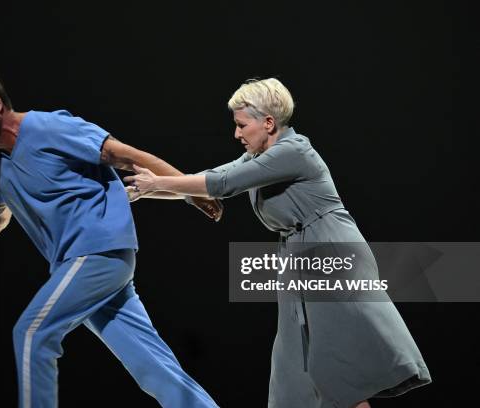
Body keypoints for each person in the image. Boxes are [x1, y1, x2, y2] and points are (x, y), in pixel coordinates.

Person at [125, 78, 432, 408]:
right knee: (298, 371)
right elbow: (210, 177)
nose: (237, 134)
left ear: (268, 122)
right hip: (299, 258)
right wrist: (145, 191)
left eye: (242, 125)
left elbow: (222, 183)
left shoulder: (293, 152)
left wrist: (157, 181)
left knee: (339, 369)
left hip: (329, 251)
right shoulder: (260, 155)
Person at [0, 64, 223, 408]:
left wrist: (191, 190)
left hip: (97, 252)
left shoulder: (49, 127)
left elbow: (125, 156)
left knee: (32, 333)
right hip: (79, 265)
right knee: (153, 367)